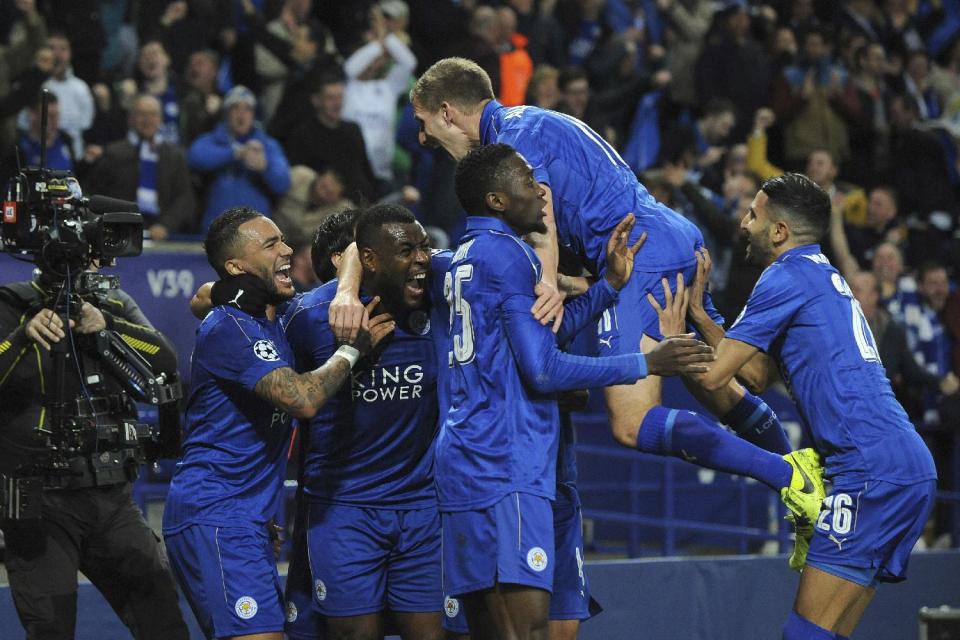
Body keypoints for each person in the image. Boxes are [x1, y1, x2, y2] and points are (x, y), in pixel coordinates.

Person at [395, 58, 824, 557]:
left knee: (630, 422)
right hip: (664, 237)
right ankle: (801, 480)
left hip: (639, 249)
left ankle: (790, 477)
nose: (423, 139)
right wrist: (581, 284)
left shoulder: (514, 133)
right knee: (717, 383)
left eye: (424, 125)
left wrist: (547, 285)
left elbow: (544, 219)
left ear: (448, 112)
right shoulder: (532, 121)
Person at [438, 143, 718, 640]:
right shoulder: (510, 256)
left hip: (465, 458)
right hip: (508, 463)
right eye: (528, 182)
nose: (542, 194)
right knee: (531, 631)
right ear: (497, 199)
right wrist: (645, 363)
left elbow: (537, 339)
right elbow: (543, 370)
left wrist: (608, 286)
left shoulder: (465, 256)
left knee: (487, 630)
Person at [682, 173, 937, 639]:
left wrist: (661, 348)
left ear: (779, 231)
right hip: (904, 465)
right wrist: (701, 313)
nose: (743, 223)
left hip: (868, 469)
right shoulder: (821, 273)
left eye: (754, 214)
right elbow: (754, 375)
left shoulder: (783, 275)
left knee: (802, 635)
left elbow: (717, 374)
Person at [162, 207, 392, 640]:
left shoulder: (269, 320)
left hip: (244, 517)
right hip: (216, 514)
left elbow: (202, 295)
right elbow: (301, 399)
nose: (287, 250)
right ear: (238, 266)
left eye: (283, 240)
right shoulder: (231, 328)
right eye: (271, 245)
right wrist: (351, 351)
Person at [0, 263, 190, 639]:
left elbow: (165, 360)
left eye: (95, 256)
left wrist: (108, 324)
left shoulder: (113, 303)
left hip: (111, 498)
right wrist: (23, 336)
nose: (92, 265)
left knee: (164, 622)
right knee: (50, 629)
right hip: (40, 502)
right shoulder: (11, 303)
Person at [85, 94, 195, 241]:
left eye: (153, 114)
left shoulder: (175, 156)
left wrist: (165, 225)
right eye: (142, 114)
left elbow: (184, 197)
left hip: (163, 236)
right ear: (131, 119)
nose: (147, 120)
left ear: (160, 119)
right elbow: (94, 194)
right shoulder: (113, 153)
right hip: (119, 235)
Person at [188, 86, 291, 230]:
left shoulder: (267, 145)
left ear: (254, 114)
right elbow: (195, 157)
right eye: (235, 108)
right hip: (218, 228)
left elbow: (283, 183)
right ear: (226, 113)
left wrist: (265, 168)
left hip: (256, 230)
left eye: (247, 109)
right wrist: (235, 153)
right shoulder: (213, 139)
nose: (241, 114)